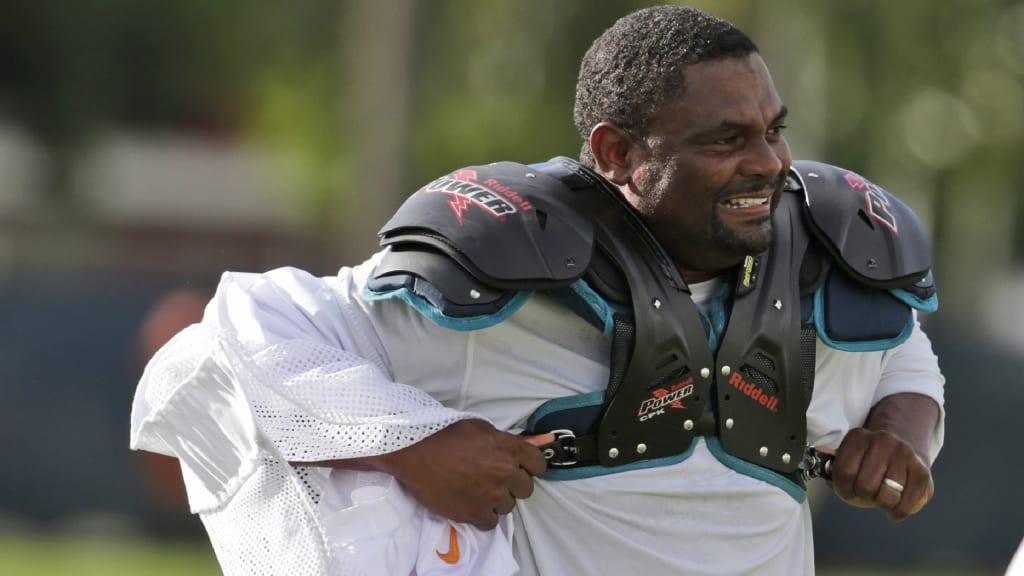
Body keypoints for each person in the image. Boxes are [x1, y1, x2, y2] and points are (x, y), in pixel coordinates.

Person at [129, 5, 945, 575]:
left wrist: (897, 433)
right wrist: (408, 444)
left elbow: (905, 355)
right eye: (727, 139)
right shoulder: (502, 276)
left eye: (773, 129)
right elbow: (222, 348)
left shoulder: (821, 256)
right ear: (617, 153)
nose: (767, 162)